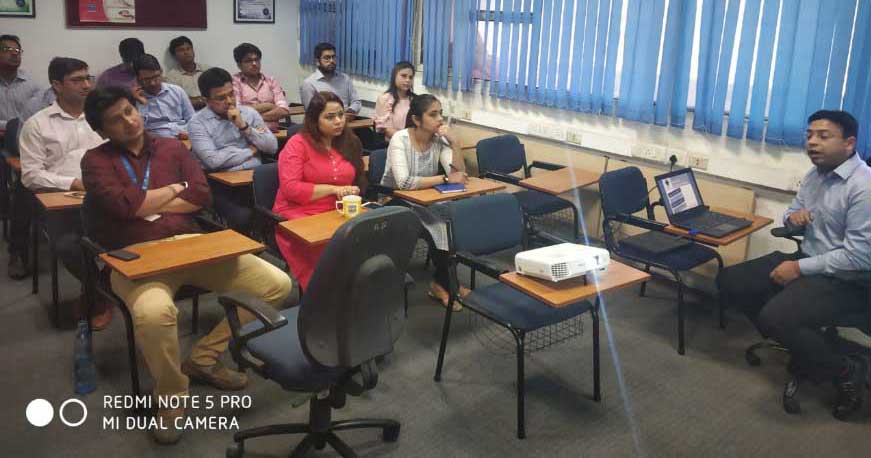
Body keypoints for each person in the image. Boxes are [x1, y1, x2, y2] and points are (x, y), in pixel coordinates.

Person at [81, 86, 292, 444]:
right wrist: (172, 191)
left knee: (276, 284)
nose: (129, 121)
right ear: (101, 130)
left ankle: (204, 358)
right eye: (116, 120)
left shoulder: (171, 148)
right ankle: (171, 395)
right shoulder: (95, 161)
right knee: (154, 313)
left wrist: (145, 202)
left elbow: (201, 195)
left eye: (129, 111)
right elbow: (122, 206)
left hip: (193, 245)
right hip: (136, 257)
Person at [718, 110, 871, 421]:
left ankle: (845, 369)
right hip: (809, 258)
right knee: (731, 282)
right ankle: (807, 347)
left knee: (776, 317)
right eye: (809, 135)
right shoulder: (815, 175)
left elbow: (859, 257)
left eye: (823, 136)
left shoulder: (864, 188)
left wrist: (800, 269)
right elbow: (791, 214)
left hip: (848, 279)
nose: (812, 142)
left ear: (849, 143)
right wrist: (793, 220)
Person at [13, 58, 112, 326]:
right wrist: (73, 183)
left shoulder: (103, 117)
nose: (86, 85)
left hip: (106, 194)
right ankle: (100, 293)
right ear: (56, 85)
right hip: (64, 200)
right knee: (68, 245)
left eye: (88, 78)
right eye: (77, 80)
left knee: (136, 234)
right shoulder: (38, 124)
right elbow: (31, 175)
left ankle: (102, 289)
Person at [380, 94, 468, 309]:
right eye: (433, 114)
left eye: (441, 114)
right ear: (417, 120)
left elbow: (458, 175)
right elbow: (404, 182)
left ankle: (444, 282)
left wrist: (455, 144)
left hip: (423, 200)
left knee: (452, 220)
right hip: (393, 200)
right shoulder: (400, 139)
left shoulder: (438, 140)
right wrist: (444, 179)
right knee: (438, 226)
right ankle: (446, 284)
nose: (440, 119)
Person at [273, 91, 366, 291]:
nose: (339, 121)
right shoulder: (298, 144)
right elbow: (291, 188)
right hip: (298, 212)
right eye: (330, 117)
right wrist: (333, 189)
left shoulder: (349, 141)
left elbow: (357, 177)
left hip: (337, 210)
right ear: (315, 120)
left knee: (367, 238)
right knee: (330, 250)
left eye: (340, 114)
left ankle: (359, 294)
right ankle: (326, 299)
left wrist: (353, 189)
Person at [188, 67, 277, 233]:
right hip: (220, 184)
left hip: (255, 177)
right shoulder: (197, 123)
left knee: (277, 210)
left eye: (231, 94)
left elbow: (272, 147)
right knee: (243, 217)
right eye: (221, 98)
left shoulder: (248, 113)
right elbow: (213, 161)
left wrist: (244, 127)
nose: (229, 101)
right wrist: (250, 151)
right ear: (206, 100)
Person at [132, 54, 194, 139]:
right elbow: (138, 131)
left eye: (155, 77)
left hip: (184, 137)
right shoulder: (134, 99)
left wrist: (188, 132)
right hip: (157, 141)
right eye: (146, 79)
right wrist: (142, 104)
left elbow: (192, 119)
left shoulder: (177, 91)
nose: (153, 83)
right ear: (138, 79)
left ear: (161, 71)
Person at [231, 42, 289, 130]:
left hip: (273, 133)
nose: (254, 63)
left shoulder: (271, 81)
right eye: (248, 61)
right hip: (247, 134)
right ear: (239, 65)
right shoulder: (234, 82)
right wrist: (268, 106)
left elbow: (284, 110)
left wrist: (252, 117)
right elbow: (238, 111)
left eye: (257, 59)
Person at [300, 42, 361, 117]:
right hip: (323, 122)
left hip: (346, 119)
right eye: (327, 58)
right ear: (317, 61)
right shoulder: (309, 83)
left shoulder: (345, 79)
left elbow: (356, 101)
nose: (332, 61)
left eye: (333, 57)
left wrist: (350, 111)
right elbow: (311, 112)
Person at [0, 34, 42, 131]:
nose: (14, 53)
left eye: (17, 50)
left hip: (25, 136)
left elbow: (38, 119)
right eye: (7, 49)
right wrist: (11, 126)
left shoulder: (33, 86)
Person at [165, 36, 210, 110]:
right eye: (181, 50)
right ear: (175, 55)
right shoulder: (171, 77)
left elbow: (217, 94)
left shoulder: (207, 70)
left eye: (188, 48)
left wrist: (193, 100)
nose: (186, 52)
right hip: (188, 114)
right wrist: (204, 100)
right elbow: (179, 102)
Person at [374, 61, 415, 140]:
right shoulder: (384, 99)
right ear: (394, 76)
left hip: (414, 142)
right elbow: (386, 129)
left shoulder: (415, 99)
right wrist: (407, 140)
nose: (407, 80)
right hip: (392, 142)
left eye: (410, 77)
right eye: (403, 76)